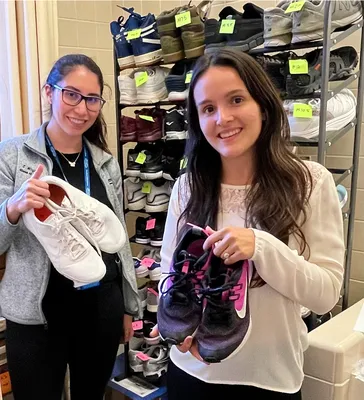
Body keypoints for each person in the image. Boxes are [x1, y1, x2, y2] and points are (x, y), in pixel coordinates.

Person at [155, 48, 345, 399]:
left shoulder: (311, 182)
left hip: (270, 380)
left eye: (236, 100)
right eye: (208, 108)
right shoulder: (188, 186)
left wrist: (261, 246)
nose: (222, 118)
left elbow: (326, 295)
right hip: (190, 375)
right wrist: (174, 330)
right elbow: (171, 272)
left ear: (263, 104)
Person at [0, 54, 140, 400]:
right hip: (37, 317)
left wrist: (128, 305)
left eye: (92, 99)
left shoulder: (105, 162)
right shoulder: (12, 156)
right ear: (49, 92)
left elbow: (118, 240)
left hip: (100, 310)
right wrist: (13, 209)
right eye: (72, 94)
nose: (82, 108)